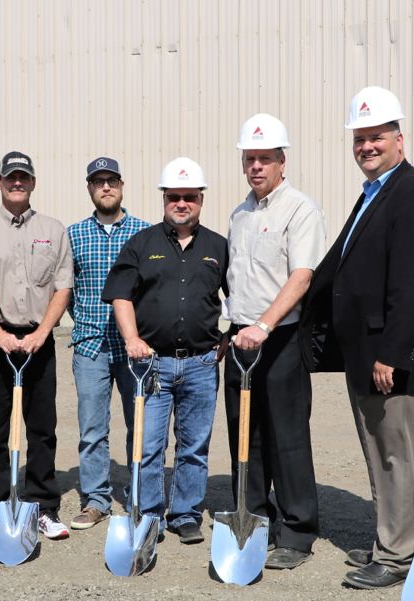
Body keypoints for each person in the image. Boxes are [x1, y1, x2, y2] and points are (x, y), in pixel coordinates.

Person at [300, 87, 414, 589]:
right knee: (389, 452)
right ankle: (397, 540)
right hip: (374, 352)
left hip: (398, 358)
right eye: (360, 138)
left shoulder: (412, 195)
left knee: (396, 454)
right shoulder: (377, 193)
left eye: (376, 137)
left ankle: (395, 556)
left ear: (399, 138)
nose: (367, 146)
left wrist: (391, 352)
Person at [103, 157, 229, 545]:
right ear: (164, 198)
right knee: (149, 444)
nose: (181, 202)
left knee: (193, 446)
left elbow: (238, 297)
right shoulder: (142, 243)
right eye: (174, 196)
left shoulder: (218, 247)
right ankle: (150, 513)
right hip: (152, 364)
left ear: (200, 199)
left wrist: (227, 338)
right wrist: (131, 339)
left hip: (201, 364)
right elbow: (121, 295)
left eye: (189, 196)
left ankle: (186, 514)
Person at [224, 114, 326, 570]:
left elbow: (302, 276)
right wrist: (231, 330)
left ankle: (298, 530)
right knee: (246, 434)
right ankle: (254, 517)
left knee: (287, 436)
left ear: (283, 162)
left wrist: (263, 325)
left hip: (279, 337)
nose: (257, 166)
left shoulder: (299, 209)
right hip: (239, 338)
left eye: (266, 158)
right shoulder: (239, 214)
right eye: (251, 159)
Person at [0, 151, 74, 540]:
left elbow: (63, 286)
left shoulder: (53, 229)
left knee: (42, 427)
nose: (17, 183)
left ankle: (44, 507)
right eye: (10, 177)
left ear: (32, 182)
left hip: (37, 340)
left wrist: (42, 332)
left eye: (23, 177)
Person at [67, 157, 150, 530]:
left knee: (142, 426)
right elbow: (66, 291)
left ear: (121, 184)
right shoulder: (73, 235)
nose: (105, 187)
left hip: (135, 350)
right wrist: (83, 320)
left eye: (111, 180)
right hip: (91, 347)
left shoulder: (145, 232)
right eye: (97, 181)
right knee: (92, 428)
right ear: (89, 188)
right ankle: (96, 499)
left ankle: (140, 497)